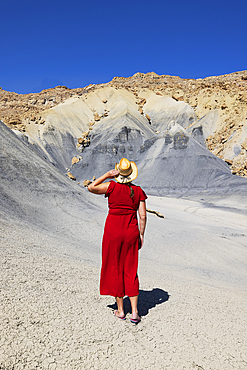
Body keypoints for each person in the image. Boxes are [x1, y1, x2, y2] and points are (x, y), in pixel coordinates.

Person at [88, 158, 147, 323]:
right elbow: (142, 216)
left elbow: (91, 187)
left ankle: (121, 310)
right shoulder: (138, 191)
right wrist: (141, 235)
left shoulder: (111, 186)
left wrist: (107, 175)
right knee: (131, 268)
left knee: (114, 267)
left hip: (112, 232)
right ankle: (135, 312)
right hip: (131, 232)